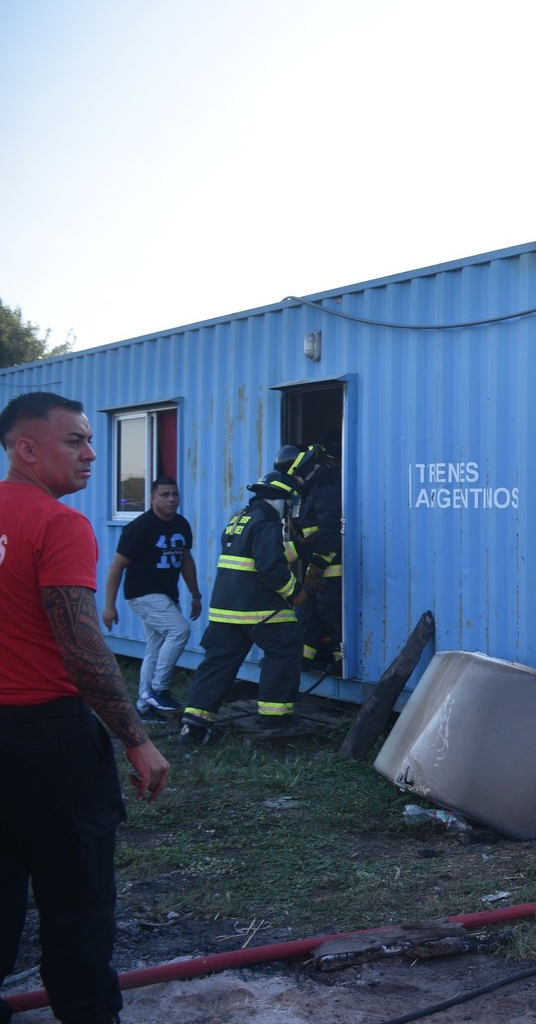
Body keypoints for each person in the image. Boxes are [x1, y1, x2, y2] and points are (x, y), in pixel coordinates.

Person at [0, 391, 170, 1023]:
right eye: (74, 440)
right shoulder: (58, 524)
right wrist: (135, 738)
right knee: (76, 906)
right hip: (49, 746)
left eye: (90, 440)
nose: (92, 453)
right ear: (26, 448)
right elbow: (81, 646)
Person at [179, 471, 304, 745]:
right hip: (255, 607)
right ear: (281, 500)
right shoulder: (269, 523)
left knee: (218, 661)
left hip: (225, 607)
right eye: (289, 503)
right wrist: (295, 592)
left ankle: (195, 723)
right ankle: (275, 716)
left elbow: (255, 552)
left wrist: (301, 547)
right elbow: (269, 567)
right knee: (285, 646)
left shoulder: (241, 517)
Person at [102, 475, 202, 719]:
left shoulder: (181, 524)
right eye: (165, 495)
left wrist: (195, 594)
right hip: (141, 593)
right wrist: (109, 606)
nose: (171, 499)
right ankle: (159, 689)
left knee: (155, 648)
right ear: (152, 498)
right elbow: (117, 566)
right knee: (179, 631)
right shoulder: (139, 527)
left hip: (167, 594)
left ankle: (144, 707)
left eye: (174, 494)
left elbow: (186, 560)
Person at [275, 444, 343, 675]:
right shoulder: (310, 490)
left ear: (302, 470)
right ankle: (303, 660)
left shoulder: (327, 487)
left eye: (294, 475)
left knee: (330, 612)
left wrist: (316, 568)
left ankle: (340, 660)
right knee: (306, 613)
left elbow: (331, 534)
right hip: (315, 565)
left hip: (330, 567)